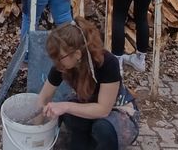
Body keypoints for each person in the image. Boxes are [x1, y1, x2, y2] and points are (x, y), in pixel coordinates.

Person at [36, 18, 140, 150]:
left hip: (115, 109)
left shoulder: (108, 63)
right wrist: (35, 129)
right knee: (69, 117)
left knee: (103, 128)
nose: (56, 62)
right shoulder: (62, 64)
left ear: (77, 54)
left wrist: (66, 106)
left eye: (59, 57)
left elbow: (103, 110)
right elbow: (44, 97)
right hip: (87, 104)